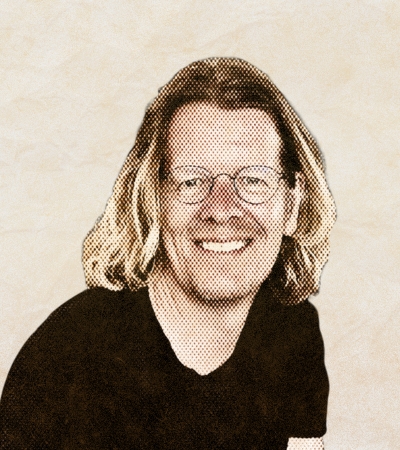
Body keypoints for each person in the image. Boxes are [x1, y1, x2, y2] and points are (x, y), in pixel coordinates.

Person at [0, 57, 336, 449]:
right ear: (153, 200)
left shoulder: (290, 331)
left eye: (254, 180)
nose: (222, 209)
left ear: (292, 206)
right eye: (192, 181)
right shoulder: (68, 358)